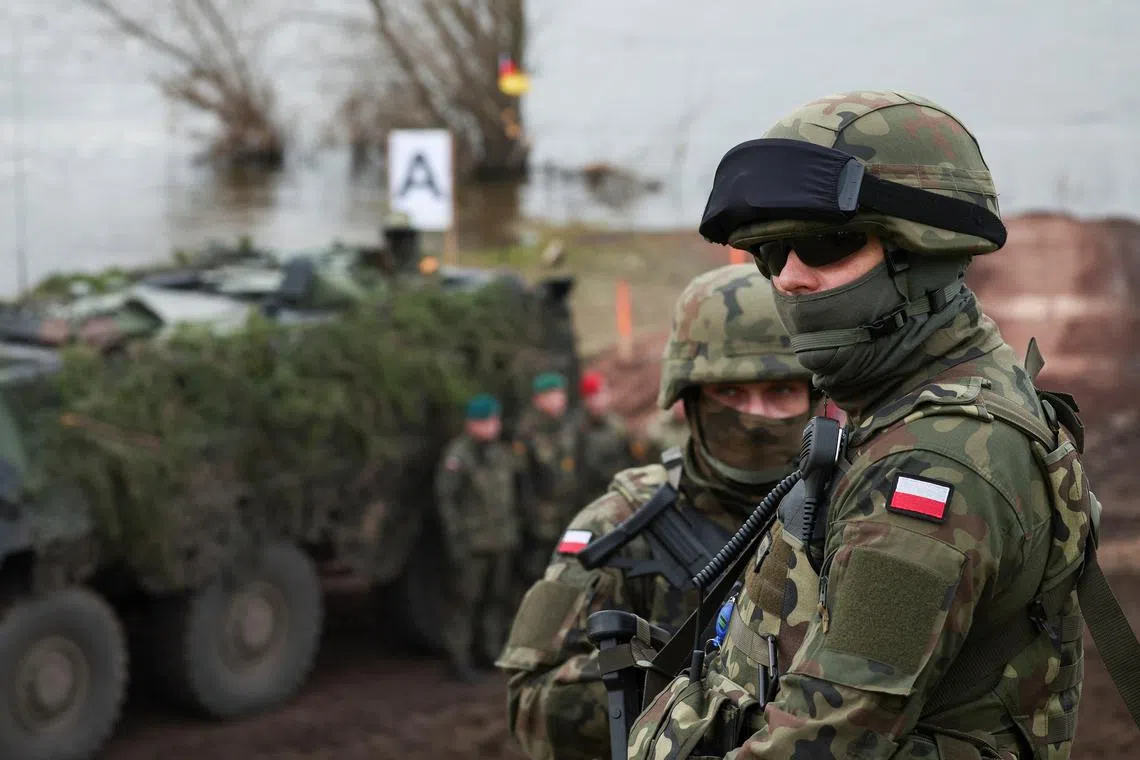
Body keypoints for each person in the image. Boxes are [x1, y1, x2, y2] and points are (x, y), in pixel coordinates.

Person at [627, 90, 1102, 760]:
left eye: (825, 244)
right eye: (771, 252)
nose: (789, 278)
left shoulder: (933, 465)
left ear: (925, 250)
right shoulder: (930, 397)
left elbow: (822, 742)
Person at [497, 264, 815, 760]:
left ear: (815, 397)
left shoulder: (850, 514)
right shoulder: (620, 524)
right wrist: (683, 685)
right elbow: (530, 705)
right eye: (730, 392)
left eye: (781, 392)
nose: (756, 417)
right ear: (688, 400)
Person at [435, 393, 522, 683]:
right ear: (473, 424)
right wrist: (456, 543)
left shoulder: (500, 453)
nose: (492, 427)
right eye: (487, 422)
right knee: (465, 602)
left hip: (501, 539)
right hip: (472, 544)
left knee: (496, 599)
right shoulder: (458, 456)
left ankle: (490, 651)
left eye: (494, 421)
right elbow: (447, 503)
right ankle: (458, 659)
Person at [515, 372, 582, 583]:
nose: (559, 399)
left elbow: (580, 468)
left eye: (561, 394)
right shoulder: (527, 432)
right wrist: (531, 518)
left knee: (573, 572)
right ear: (538, 399)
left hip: (570, 515)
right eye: (552, 394)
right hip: (541, 524)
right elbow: (522, 483)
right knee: (542, 577)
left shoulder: (570, 426)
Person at [574, 370, 638, 500]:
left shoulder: (618, 425)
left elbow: (632, 460)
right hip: (592, 499)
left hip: (621, 494)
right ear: (587, 399)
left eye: (603, 393)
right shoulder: (578, 430)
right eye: (595, 394)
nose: (600, 399)